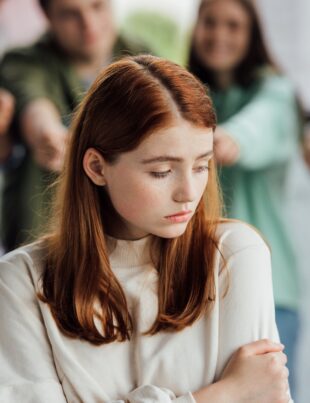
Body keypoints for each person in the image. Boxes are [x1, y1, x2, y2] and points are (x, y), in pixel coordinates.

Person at [0, 55, 291, 402]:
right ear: (96, 167)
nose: (189, 193)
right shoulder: (20, 280)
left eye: (201, 165)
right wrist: (224, 394)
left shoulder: (234, 255)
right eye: (162, 171)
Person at [188, 0, 300, 396]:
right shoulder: (185, 92)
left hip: (270, 288)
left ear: (252, 34)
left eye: (233, 25)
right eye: (210, 23)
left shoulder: (275, 91)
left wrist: (228, 140)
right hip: (198, 288)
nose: (219, 35)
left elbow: (262, 124)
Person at [0, 0, 148, 251]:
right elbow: (34, 103)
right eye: (70, 14)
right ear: (47, 15)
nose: (88, 24)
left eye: (97, 6)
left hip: (127, 242)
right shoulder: (22, 62)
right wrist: (47, 135)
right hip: (44, 242)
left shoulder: (144, 58)